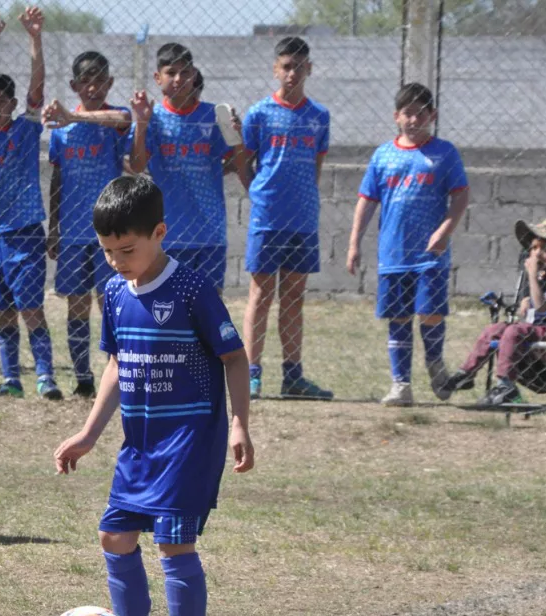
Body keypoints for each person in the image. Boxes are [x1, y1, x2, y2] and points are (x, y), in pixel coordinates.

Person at [54, 174, 253, 616]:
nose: (117, 261)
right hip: (138, 445)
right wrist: (89, 433)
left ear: (159, 233)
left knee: (172, 542)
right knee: (115, 537)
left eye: (127, 249)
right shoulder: (116, 292)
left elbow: (234, 357)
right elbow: (119, 364)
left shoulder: (191, 290)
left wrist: (239, 422)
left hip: (189, 438)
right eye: (108, 252)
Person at [347, 83, 469, 407]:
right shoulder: (383, 155)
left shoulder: (444, 153)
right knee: (398, 318)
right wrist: (354, 243)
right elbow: (367, 200)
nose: (413, 120)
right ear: (396, 116)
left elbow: (460, 196)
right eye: (407, 113)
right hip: (394, 254)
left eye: (420, 113)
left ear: (433, 115)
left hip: (431, 255)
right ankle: (401, 385)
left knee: (429, 313)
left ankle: (435, 364)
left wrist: (445, 229)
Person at [0, 6, 62, 400]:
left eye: (0, 101)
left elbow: (37, 85)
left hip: (24, 233)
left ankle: (45, 376)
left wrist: (34, 37)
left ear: (11, 103)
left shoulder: (25, 130)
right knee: (4, 312)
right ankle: (11, 378)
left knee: (30, 308)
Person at [239, 37, 332, 400]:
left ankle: (293, 375)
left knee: (295, 296)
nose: (292, 73)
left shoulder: (319, 116)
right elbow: (244, 163)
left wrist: (304, 199)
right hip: (268, 219)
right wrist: (259, 194)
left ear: (309, 68)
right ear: (276, 70)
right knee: (261, 294)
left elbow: (317, 167)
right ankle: (251, 373)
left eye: (299, 66)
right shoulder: (259, 113)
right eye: (286, 66)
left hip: (303, 220)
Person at [39, 51, 130, 398]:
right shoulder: (62, 131)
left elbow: (123, 117)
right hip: (74, 233)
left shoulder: (112, 120)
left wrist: (75, 117)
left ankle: (119, 372)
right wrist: (54, 227)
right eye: (86, 80)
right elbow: (57, 180)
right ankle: (83, 377)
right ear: (75, 85)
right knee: (77, 305)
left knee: (112, 303)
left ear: (109, 83)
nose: (93, 86)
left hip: (111, 232)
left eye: (99, 80)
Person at [127, 46, 243, 297]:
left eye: (185, 72)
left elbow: (234, 162)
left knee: (209, 307)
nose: (179, 79)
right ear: (158, 78)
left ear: (194, 75)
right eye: (171, 72)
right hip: (168, 235)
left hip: (210, 233)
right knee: (169, 309)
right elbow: (136, 166)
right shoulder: (152, 117)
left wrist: (237, 135)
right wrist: (141, 124)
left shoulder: (212, 116)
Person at [442, 219, 546, 407]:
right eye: (533, 248)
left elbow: (543, 310)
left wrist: (532, 277)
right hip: (536, 331)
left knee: (514, 332)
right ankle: (466, 374)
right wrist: (527, 294)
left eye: (543, 249)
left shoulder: (542, 277)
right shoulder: (544, 276)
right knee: (495, 329)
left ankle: (506, 386)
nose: (536, 254)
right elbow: (530, 310)